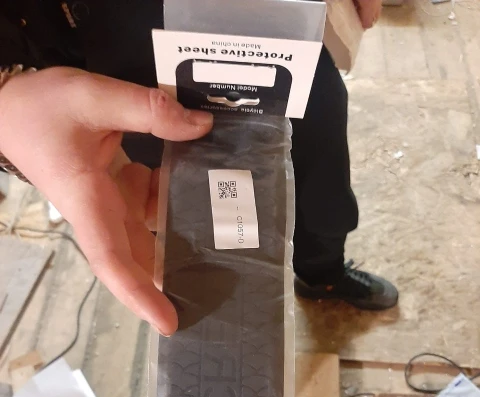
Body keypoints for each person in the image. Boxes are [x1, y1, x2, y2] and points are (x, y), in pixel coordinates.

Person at [0, 0, 397, 338]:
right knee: (185, 209)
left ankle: (321, 275)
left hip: (270, 23)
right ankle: (230, 308)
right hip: (112, 54)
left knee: (318, 170)